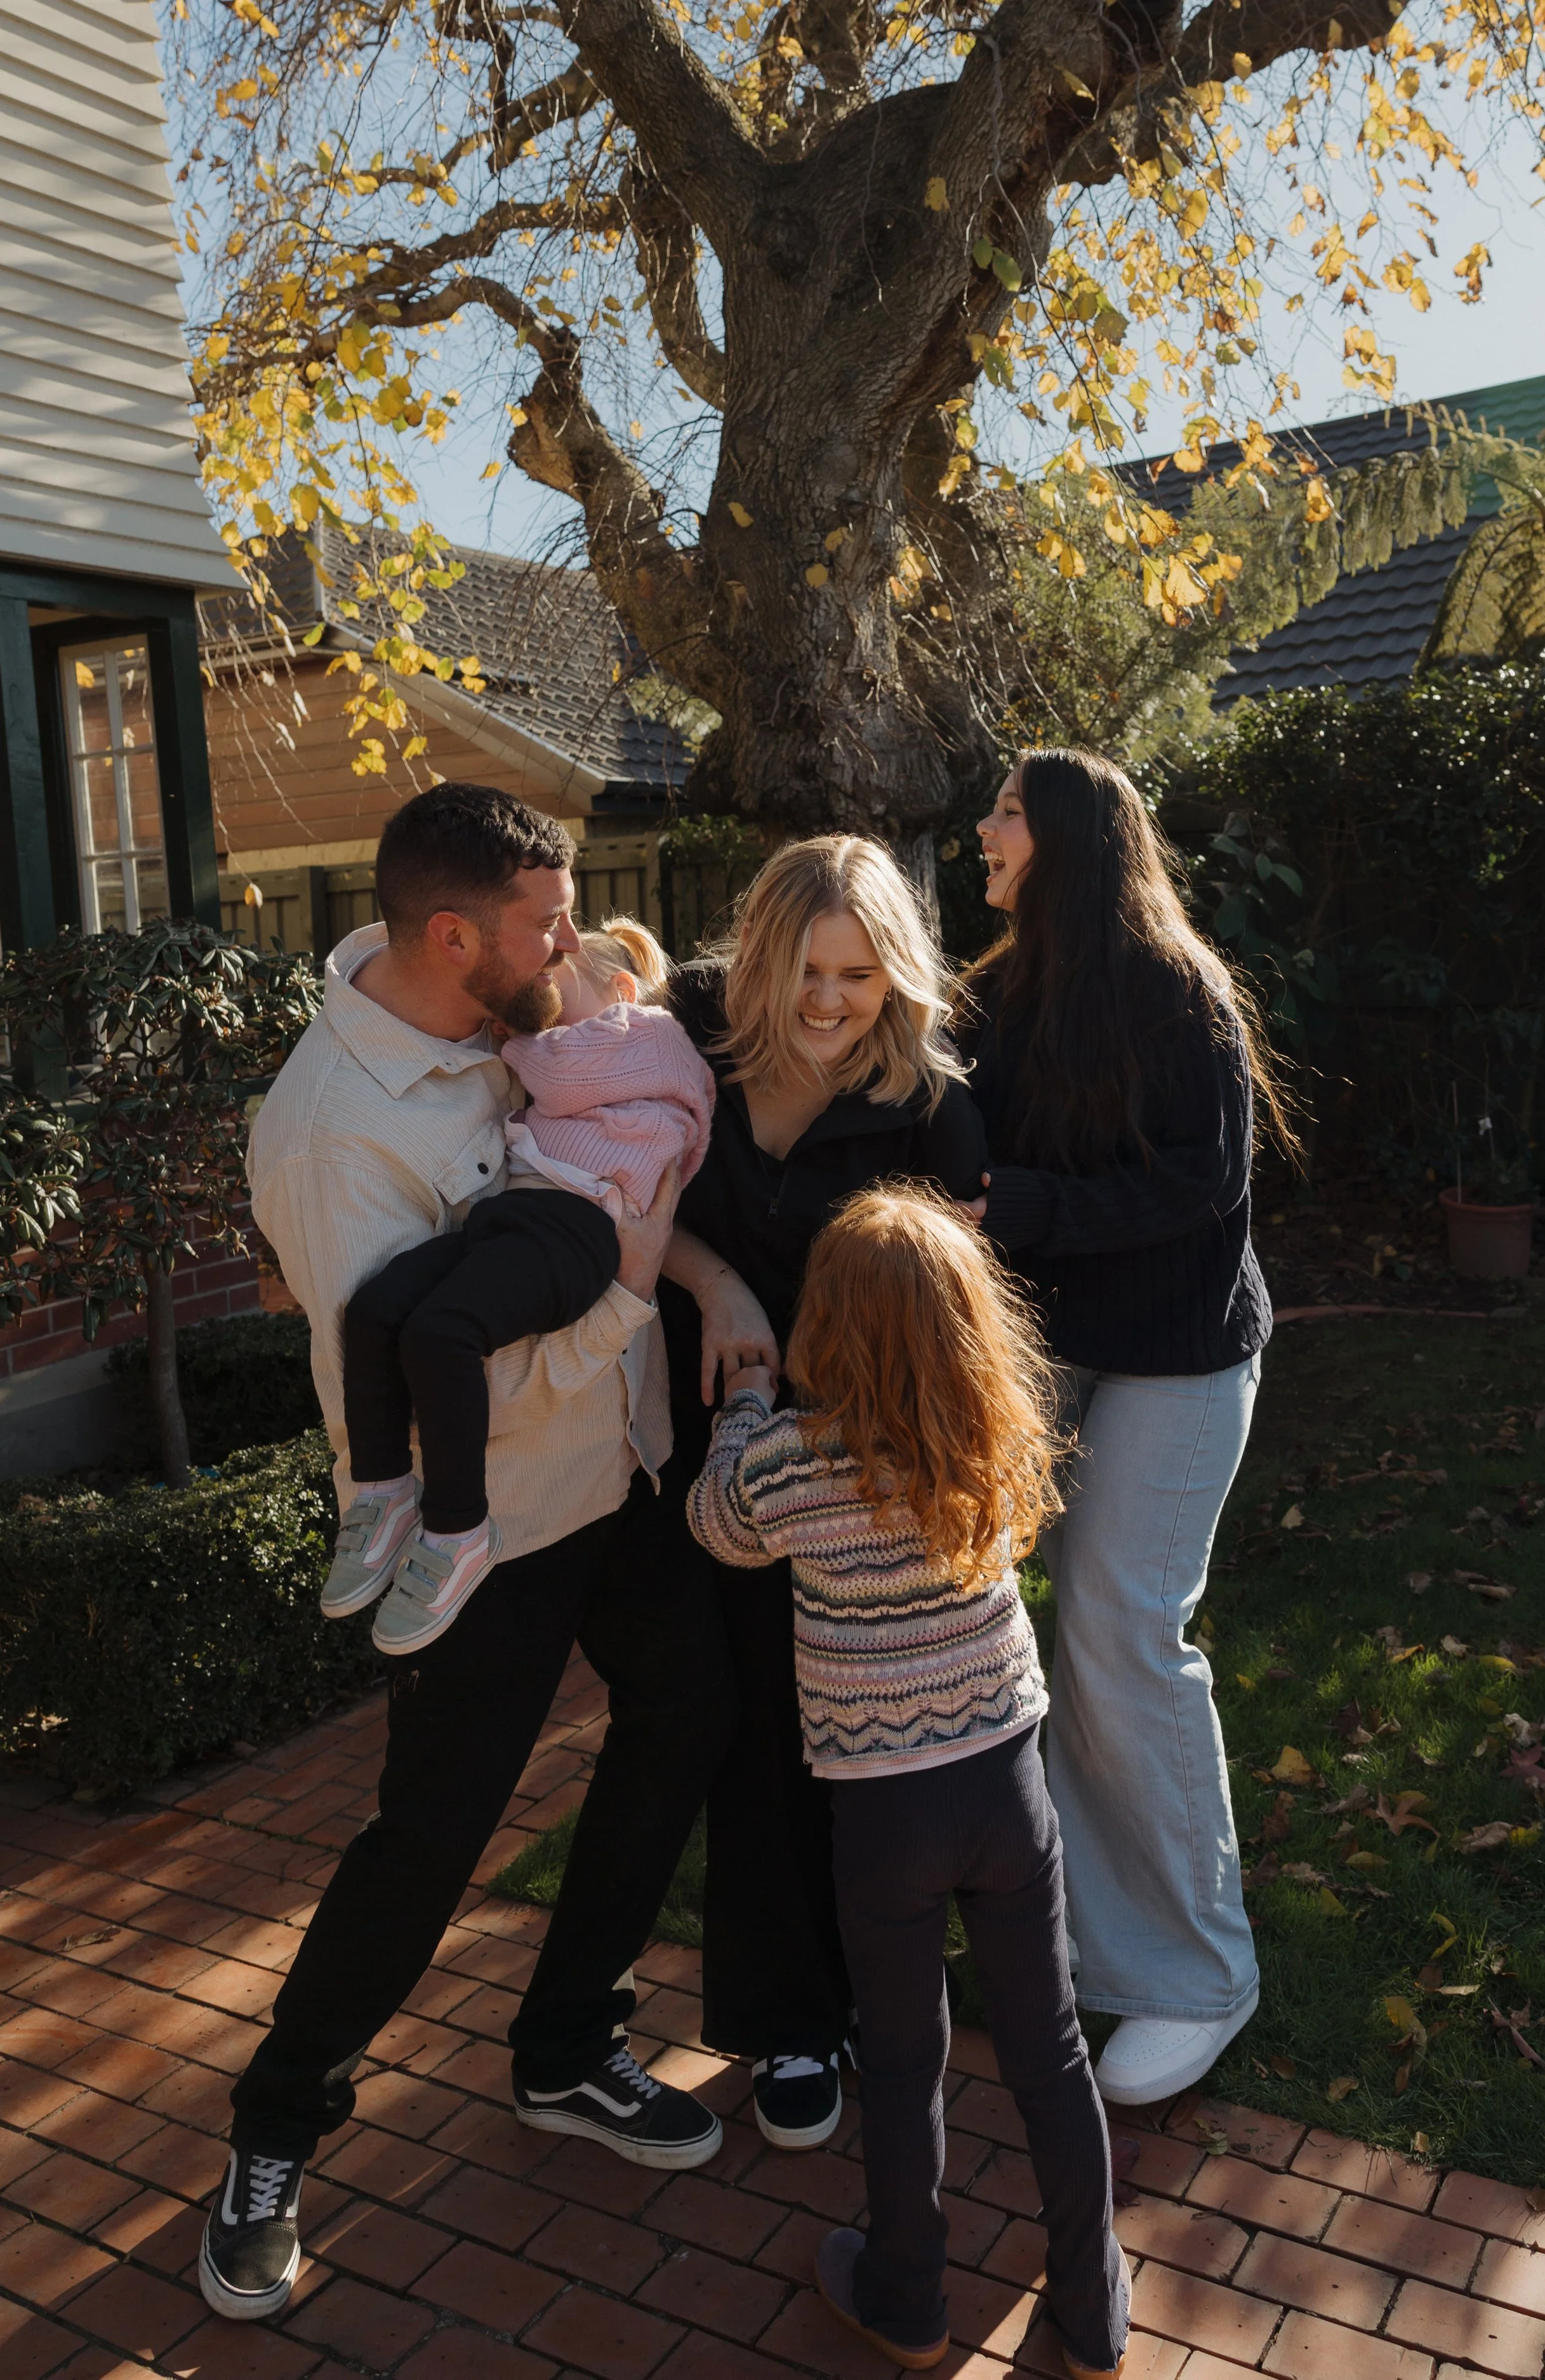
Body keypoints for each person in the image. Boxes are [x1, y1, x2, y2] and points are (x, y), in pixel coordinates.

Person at [199, 786, 734, 2327]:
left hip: (618, 1472)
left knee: (690, 1711)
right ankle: (273, 2130)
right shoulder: (332, 1131)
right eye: (545, 920)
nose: (572, 943)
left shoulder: (499, 1015)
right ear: (453, 937)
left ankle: (568, 2041)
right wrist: (637, 1299)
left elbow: (610, 1171)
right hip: (483, 1527)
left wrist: (693, 1277)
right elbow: (436, 1377)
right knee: (427, 1843)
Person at [688, 1186, 1130, 2380]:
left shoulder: (789, 1465)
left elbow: (715, 1525)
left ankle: (908, 2296)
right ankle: (1092, 2311)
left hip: (882, 1811)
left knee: (899, 2057)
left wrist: (741, 1406)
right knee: (1049, 2052)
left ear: (824, 1322)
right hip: (1004, 1790)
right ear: (970, 1327)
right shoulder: (987, 1443)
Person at [962, 746, 1288, 2109]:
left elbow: (1199, 1189)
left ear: (1070, 842)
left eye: (1003, 813)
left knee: (1116, 1626)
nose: (980, 830)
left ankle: (1197, 1979)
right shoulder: (993, 995)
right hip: (1049, 1355)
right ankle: (1099, 1947)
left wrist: (1021, 1211)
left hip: (1175, 1357)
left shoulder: (1177, 992)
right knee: (1013, 1630)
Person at [657, 836, 988, 2150]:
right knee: (750, 1734)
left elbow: (952, 1309)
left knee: (871, 1746)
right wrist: (714, 1283)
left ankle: (883, 1996)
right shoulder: (682, 1036)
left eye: (858, 974)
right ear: (757, 955)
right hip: (719, 1441)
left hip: (856, 1468)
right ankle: (786, 2020)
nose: (828, 1002)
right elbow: (613, 1189)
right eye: (806, 969)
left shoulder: (930, 1103)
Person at [325, 917, 714, 1653]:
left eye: (554, 995)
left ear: (621, 991)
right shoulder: (577, 1047)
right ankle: (383, 1491)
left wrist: (507, 1033)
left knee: (444, 1334)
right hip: (522, 1215)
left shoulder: (651, 1036)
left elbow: (558, 1075)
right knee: (377, 1308)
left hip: (583, 1233)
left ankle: (459, 1526)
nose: (529, 1021)